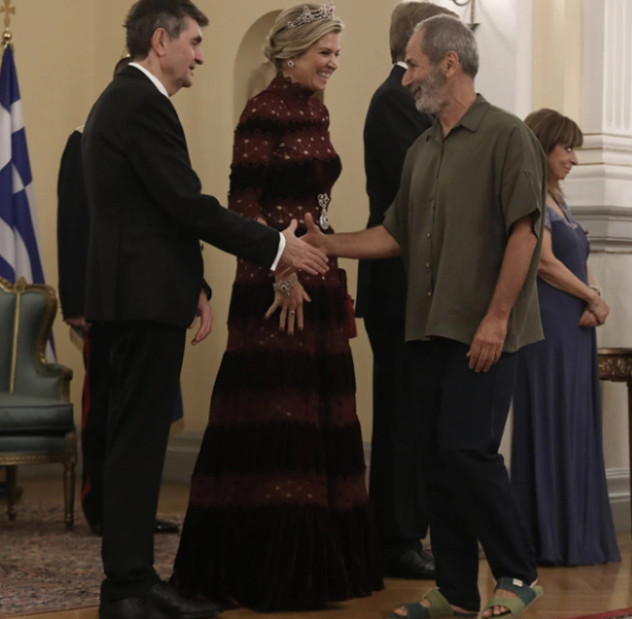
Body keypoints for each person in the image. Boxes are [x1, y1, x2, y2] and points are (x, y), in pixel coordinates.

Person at [81, 1, 329, 618]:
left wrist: (193, 282)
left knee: (136, 443)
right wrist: (277, 248)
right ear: (160, 41)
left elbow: (155, 210)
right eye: (193, 42)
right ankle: (128, 589)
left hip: (144, 294)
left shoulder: (131, 101)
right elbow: (188, 204)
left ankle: (133, 583)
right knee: (137, 446)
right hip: (141, 300)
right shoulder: (138, 102)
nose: (200, 56)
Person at [303, 14, 546, 619]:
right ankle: (456, 593)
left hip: (483, 330)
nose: (406, 77)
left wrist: (496, 318)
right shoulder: (421, 148)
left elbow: (524, 233)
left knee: (468, 451)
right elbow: (395, 234)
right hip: (426, 328)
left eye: (413, 65)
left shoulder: (508, 135)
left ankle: (518, 574)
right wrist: (329, 245)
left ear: (449, 63)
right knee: (435, 459)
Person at [171, 2, 383, 612]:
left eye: (337, 54)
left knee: (316, 413)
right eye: (325, 53)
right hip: (273, 285)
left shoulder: (316, 107)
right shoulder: (262, 109)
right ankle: (272, 573)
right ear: (292, 54)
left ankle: (325, 567)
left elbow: (316, 199)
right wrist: (282, 271)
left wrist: (321, 256)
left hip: (316, 275)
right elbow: (242, 204)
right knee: (279, 415)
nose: (333, 64)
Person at [56, 56, 179, 539]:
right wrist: (77, 303)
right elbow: (74, 226)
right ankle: (99, 503)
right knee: (104, 406)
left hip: (144, 296)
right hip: (102, 299)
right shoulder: (84, 138)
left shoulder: (151, 138)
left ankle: (132, 510)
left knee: (139, 414)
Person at [357, 1, 456, 581]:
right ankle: (395, 538)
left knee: (420, 414)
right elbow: (414, 193)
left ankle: (411, 528)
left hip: (423, 286)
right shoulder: (395, 100)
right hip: (398, 285)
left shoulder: (416, 99)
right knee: (401, 416)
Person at [510, 109, 621, 567]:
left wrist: (594, 298)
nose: (574, 158)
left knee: (574, 422)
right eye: (567, 148)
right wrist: (591, 297)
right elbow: (543, 263)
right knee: (552, 419)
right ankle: (548, 536)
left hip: (574, 327)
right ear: (543, 147)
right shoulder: (530, 195)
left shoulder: (560, 201)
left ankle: (575, 532)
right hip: (547, 326)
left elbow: (578, 258)